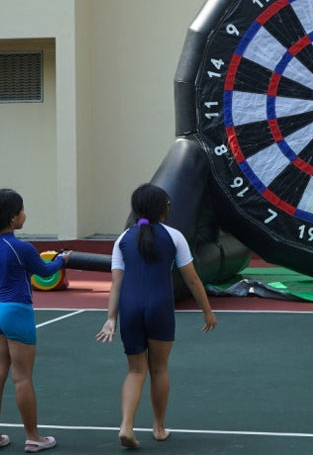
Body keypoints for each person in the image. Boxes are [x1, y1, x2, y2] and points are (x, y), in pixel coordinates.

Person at [96, 183, 217, 448]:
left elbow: (116, 283)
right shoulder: (174, 236)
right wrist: (207, 311)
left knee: (135, 370)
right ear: (163, 209)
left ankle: (126, 426)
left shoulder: (123, 239)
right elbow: (192, 279)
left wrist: (111, 318)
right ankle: (159, 427)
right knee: (159, 368)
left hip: (129, 308)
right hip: (160, 306)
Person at [0, 188, 71, 453]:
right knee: (22, 377)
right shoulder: (21, 247)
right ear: (13, 217)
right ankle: (33, 437)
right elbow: (45, 271)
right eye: (22, 210)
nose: (24, 214)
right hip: (16, 311)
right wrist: (62, 260)